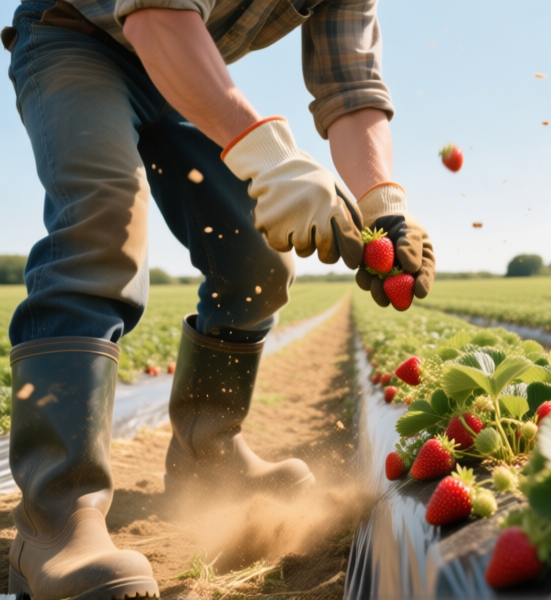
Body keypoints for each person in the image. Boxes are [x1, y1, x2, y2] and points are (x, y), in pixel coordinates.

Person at [1, 0, 435, 596]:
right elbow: (155, 16)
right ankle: (54, 516)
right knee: (100, 228)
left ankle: (207, 454)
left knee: (258, 257)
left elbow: (350, 84)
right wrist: (271, 159)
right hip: (78, 36)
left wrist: (384, 204)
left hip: (176, 68)